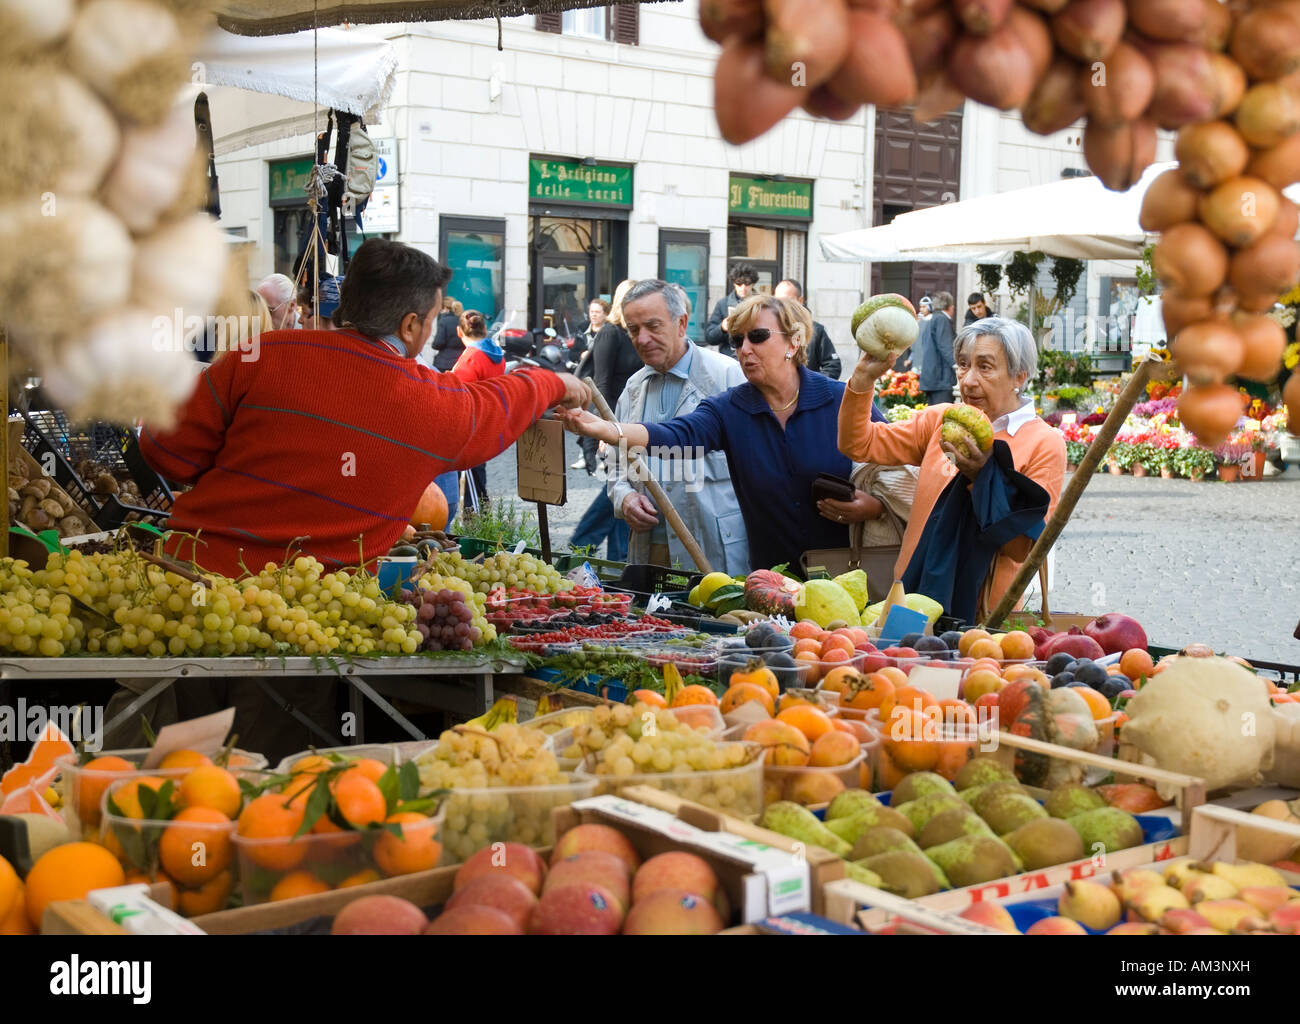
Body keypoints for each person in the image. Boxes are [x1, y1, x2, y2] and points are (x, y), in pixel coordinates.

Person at [141, 238, 591, 576]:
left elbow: (165, 451)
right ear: (411, 324)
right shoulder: (426, 401)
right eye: (432, 321)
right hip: (301, 621)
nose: (431, 332)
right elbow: (491, 408)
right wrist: (554, 382)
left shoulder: (261, 353)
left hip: (183, 581)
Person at [559, 294, 895, 573]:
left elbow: (899, 465)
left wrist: (876, 507)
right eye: (737, 340)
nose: (745, 348)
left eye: (758, 336)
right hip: (771, 577)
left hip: (847, 573)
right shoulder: (730, 407)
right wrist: (605, 428)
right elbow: (677, 435)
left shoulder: (839, 398)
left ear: (794, 341)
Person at [838, 316, 1066, 623]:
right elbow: (859, 444)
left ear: (1019, 376)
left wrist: (981, 478)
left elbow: (1022, 549)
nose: (968, 380)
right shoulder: (943, 420)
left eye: (985, 367)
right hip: (909, 599)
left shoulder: (1044, 443)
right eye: (962, 364)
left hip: (987, 616)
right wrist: (863, 380)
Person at [600, 279, 749, 573]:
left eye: (653, 326)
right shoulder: (633, 388)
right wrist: (624, 497)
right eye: (633, 329)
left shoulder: (729, 378)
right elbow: (617, 466)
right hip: (650, 548)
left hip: (714, 550)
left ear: (681, 323)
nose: (642, 339)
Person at [568, 281, 638, 559]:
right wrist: (604, 430)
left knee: (628, 484)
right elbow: (603, 383)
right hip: (613, 420)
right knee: (620, 486)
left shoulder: (634, 333)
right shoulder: (610, 332)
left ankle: (617, 560)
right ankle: (582, 545)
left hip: (633, 421)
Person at [450, 309, 504, 503]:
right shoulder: (496, 354)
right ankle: (478, 515)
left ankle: (475, 518)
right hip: (487, 420)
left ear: (459, 331)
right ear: (485, 328)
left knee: (471, 477)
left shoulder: (471, 357)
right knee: (478, 474)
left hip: (469, 425)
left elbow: (458, 396)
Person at [773, 279, 842, 380]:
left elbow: (832, 366)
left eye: (787, 300)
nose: (782, 305)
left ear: (800, 300)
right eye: (777, 300)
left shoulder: (816, 331)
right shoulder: (767, 330)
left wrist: (812, 385)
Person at [570, 299, 609, 471]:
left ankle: (602, 458)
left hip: (601, 381)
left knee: (600, 419)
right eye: (592, 312)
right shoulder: (583, 329)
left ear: (605, 314)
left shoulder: (609, 332)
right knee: (582, 417)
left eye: (597, 312)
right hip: (584, 381)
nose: (593, 315)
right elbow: (572, 352)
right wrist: (581, 355)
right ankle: (584, 456)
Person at [706, 262, 758, 358]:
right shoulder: (723, 304)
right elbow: (710, 337)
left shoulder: (762, 304)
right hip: (730, 358)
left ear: (753, 283)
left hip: (755, 356)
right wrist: (722, 327)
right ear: (734, 283)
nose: (743, 288)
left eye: (747, 283)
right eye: (739, 283)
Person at [918, 290, 957, 405]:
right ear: (950, 307)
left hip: (932, 379)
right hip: (941, 379)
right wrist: (958, 366)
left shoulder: (932, 319)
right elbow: (946, 347)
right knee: (941, 418)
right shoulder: (941, 319)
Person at [429, 297, 465, 371]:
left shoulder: (444, 321)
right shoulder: (463, 321)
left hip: (444, 363)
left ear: (445, 308)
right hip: (461, 361)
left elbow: (438, 343)